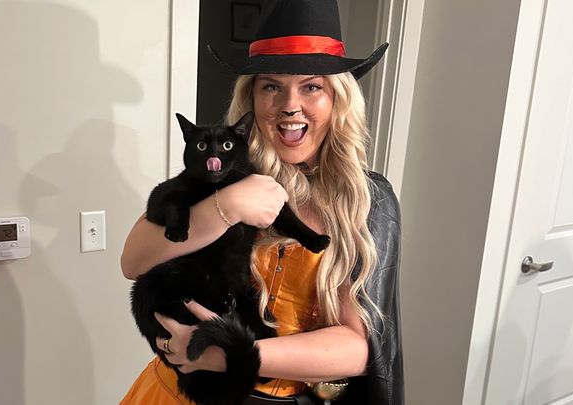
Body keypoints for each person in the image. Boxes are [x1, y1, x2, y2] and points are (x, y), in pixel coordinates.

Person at [120, 0, 403, 404]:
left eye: (311, 86)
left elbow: (359, 350)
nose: (289, 105)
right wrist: (227, 205)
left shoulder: (365, 201)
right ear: (251, 97)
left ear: (338, 98)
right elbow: (133, 262)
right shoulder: (222, 172)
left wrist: (231, 356)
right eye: (271, 86)